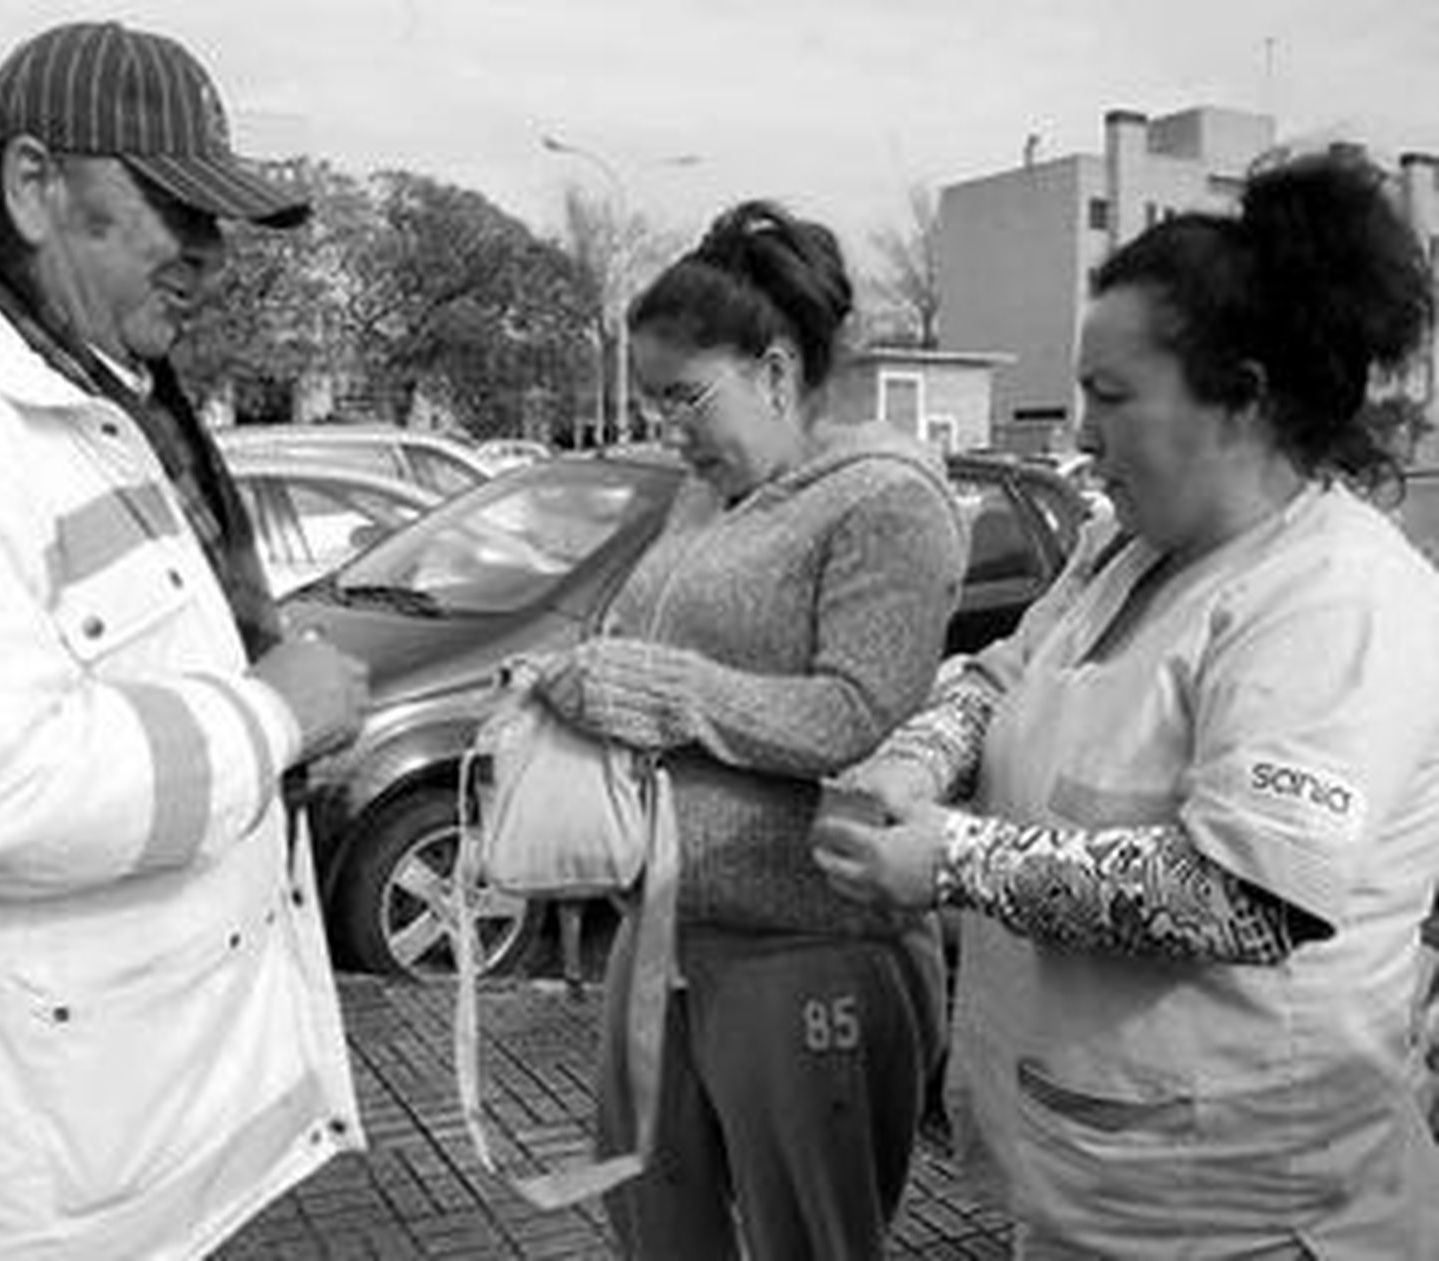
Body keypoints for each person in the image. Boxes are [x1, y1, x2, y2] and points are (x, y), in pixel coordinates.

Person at [814, 149, 1439, 1258]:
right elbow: (1002, 675)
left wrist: (950, 860)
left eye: (1110, 397)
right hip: (1092, 1187)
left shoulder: (1339, 596)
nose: (1083, 438)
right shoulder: (1121, 548)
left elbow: (1243, 896)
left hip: (1246, 1217)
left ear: (1242, 396)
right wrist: (912, 761)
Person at [0, 21, 372, 1258]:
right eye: (175, 209)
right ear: (33, 185)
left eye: (218, 220)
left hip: (122, 1156)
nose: (208, 255)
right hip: (19, 1199)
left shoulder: (89, 400)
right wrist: (277, 714)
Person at [528, 200, 966, 1260]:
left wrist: (665, 691)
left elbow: (857, 709)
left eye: (685, 397)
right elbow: (645, 641)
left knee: (805, 1239)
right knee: (654, 1227)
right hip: (669, 939)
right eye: (653, 401)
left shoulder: (884, 503)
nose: (668, 430)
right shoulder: (706, 496)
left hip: (807, 949)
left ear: (774, 370)